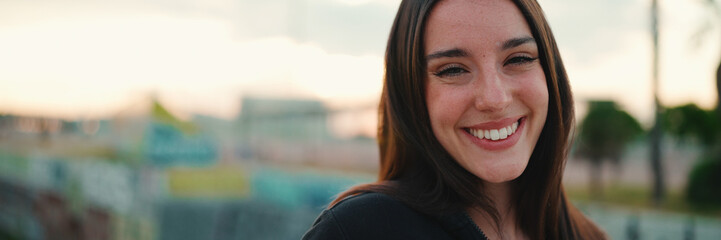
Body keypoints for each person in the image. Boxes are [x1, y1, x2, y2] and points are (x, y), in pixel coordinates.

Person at [303, 0, 606, 239]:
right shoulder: (360, 231)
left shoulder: (588, 236)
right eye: (453, 70)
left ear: (550, 75)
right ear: (412, 96)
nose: (495, 98)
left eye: (518, 59)